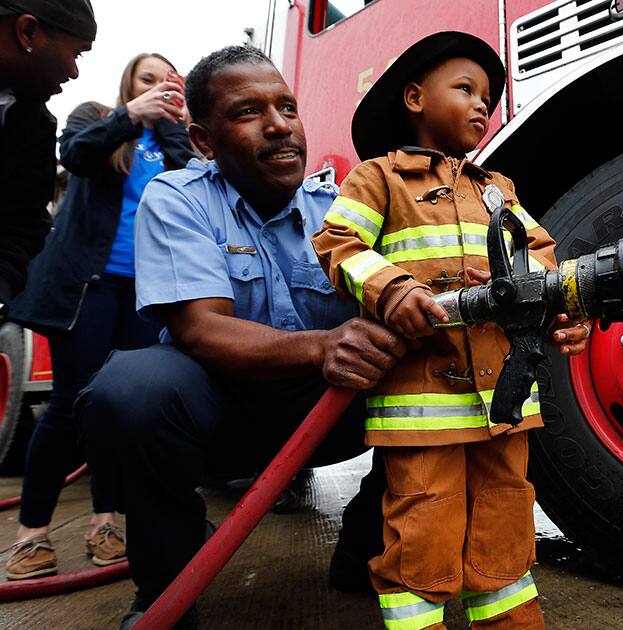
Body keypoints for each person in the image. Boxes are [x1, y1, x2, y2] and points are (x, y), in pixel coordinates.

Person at [74, 45, 401, 628]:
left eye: (287, 107)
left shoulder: (348, 208)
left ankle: (371, 545)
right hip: (222, 419)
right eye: (249, 112)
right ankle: (167, 583)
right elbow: (200, 329)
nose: (279, 125)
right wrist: (324, 346)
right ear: (203, 140)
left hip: (328, 412)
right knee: (129, 390)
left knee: (459, 370)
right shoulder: (177, 198)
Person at [312, 32, 590, 629]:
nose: (481, 105)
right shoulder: (378, 179)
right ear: (414, 97)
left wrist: (563, 310)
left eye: (487, 97)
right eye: (465, 89)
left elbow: (540, 255)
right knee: (423, 530)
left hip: (505, 400)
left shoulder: (497, 190)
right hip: (421, 407)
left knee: (506, 521)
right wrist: (395, 290)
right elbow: (337, 242)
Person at [5, 53, 194, 580]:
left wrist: (175, 125)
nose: (159, 88)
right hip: (89, 286)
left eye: (167, 81)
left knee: (119, 406)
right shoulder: (95, 117)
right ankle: (32, 535)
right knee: (70, 403)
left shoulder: (176, 139)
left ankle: (105, 521)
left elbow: (191, 188)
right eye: (148, 80)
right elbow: (77, 156)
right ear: (130, 85)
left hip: (146, 291)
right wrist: (131, 115)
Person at [0, 0, 95, 319]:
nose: (74, 71)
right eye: (77, 53)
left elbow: (21, 223)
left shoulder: (34, 124)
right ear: (27, 31)